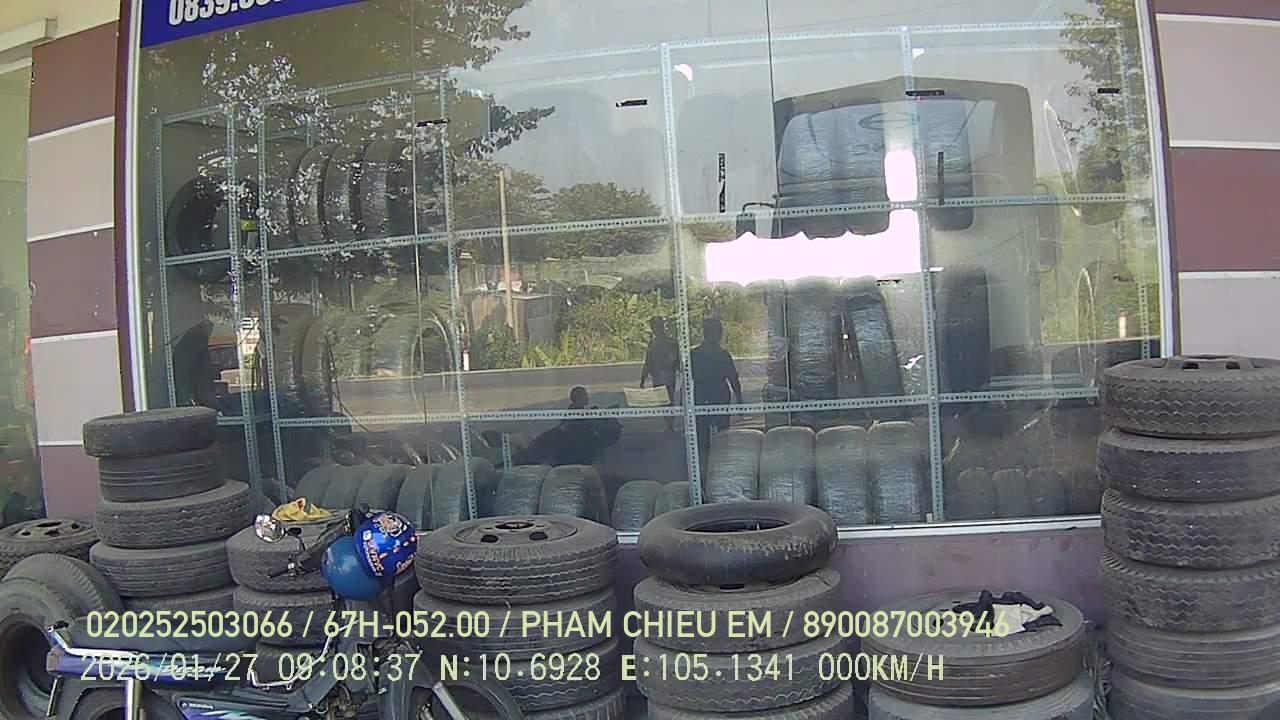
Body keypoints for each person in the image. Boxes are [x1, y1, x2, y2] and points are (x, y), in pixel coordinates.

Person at [690, 318, 742, 458]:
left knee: (710, 434)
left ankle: (710, 459)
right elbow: (733, 379)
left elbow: (733, 378)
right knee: (717, 434)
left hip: (706, 396)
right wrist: (739, 401)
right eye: (716, 331)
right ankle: (715, 459)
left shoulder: (695, 354)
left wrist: (740, 401)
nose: (717, 334)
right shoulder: (721, 354)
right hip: (714, 395)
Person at [640, 317, 679, 430]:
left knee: (665, 399)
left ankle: (669, 422)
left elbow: (648, 363)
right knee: (667, 399)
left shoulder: (660, 343)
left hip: (663, 375)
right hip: (663, 375)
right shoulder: (666, 343)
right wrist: (643, 378)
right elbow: (648, 362)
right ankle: (669, 422)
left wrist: (643, 379)